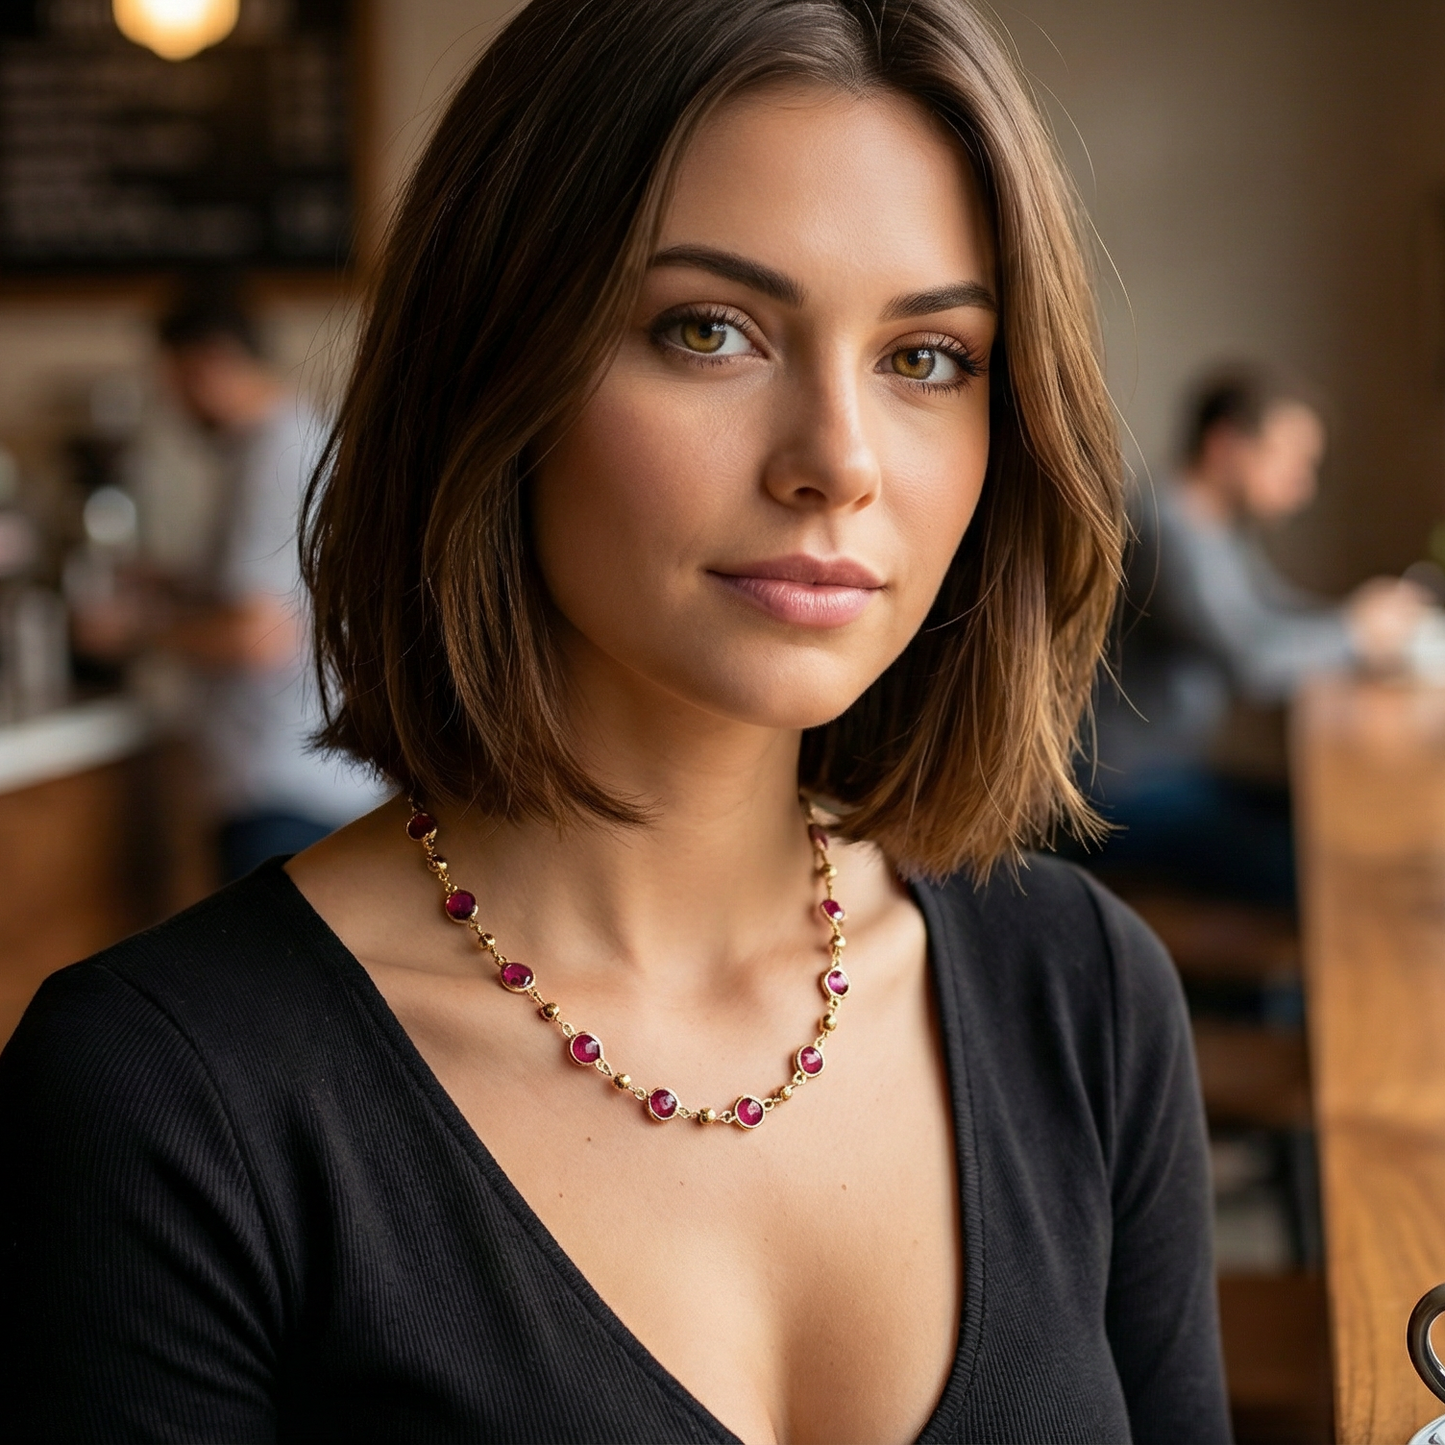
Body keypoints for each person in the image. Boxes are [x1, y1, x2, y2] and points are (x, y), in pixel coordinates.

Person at [0, 3, 1230, 1442]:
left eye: (929, 356)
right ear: (493, 367)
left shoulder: (1081, 996)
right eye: (707, 330)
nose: (837, 461)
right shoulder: (164, 1102)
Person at [77, 283, 387, 880]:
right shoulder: (277, 445)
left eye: (174, 380)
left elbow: (260, 636)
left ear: (210, 361)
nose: (174, 403)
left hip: (282, 789)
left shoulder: (276, 456)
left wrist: (132, 633)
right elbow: (277, 593)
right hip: (307, 781)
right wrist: (177, 583)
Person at [1088, 366, 1427, 904]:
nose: (1303, 482)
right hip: (1121, 795)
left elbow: (1271, 613)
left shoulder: (1213, 527)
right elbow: (1252, 660)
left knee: (1329, 824)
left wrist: (1366, 621)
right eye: (1291, 458)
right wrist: (1356, 631)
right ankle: (1286, 990)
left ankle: (1285, 988)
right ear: (1226, 446)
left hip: (1169, 774)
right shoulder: (1168, 530)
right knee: (1332, 864)